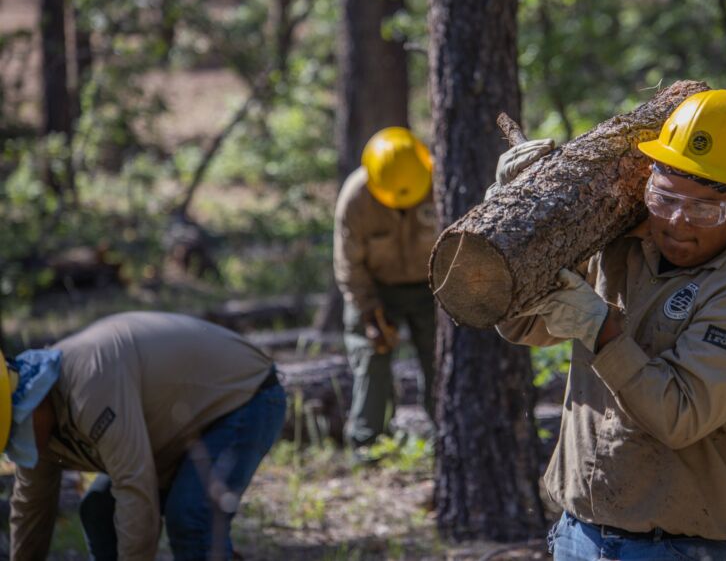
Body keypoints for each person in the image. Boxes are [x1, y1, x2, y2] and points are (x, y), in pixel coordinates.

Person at [495, 89, 726, 560]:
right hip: (579, 533)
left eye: (703, 209)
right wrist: (520, 222)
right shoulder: (622, 245)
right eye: (665, 197)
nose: (678, 222)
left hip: (680, 547)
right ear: (647, 179)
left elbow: (679, 417)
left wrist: (602, 330)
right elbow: (524, 328)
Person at [1, 311, 286, 560]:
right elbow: (31, 507)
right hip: (176, 426)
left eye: (17, 430)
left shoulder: (89, 385)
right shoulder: (36, 417)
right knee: (100, 510)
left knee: (190, 516)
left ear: (29, 398)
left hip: (244, 397)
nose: (19, 442)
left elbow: (133, 486)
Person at [334, 127, 438, 453]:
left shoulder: (442, 181)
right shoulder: (355, 198)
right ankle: (368, 445)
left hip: (434, 289)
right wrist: (368, 312)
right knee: (371, 360)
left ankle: (449, 438)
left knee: (441, 363)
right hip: (376, 291)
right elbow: (349, 265)